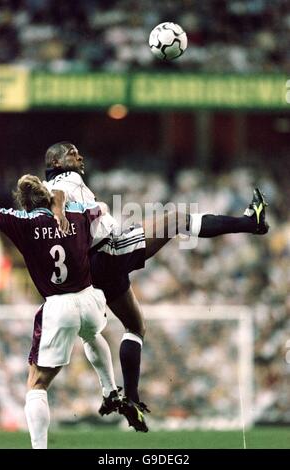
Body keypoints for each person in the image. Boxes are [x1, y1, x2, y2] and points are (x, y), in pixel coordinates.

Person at [43, 142, 269, 433]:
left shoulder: (50, 189)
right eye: (72, 153)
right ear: (57, 162)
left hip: (94, 268)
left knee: (135, 325)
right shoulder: (65, 180)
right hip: (108, 250)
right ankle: (250, 221)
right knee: (175, 220)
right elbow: (58, 196)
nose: (79, 156)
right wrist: (61, 212)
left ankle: (132, 399)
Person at [0, 174, 123, 448]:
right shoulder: (76, 214)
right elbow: (101, 207)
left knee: (36, 385)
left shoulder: (22, 222)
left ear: (24, 203)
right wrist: (60, 203)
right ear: (47, 195)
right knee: (92, 336)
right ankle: (110, 389)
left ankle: (39, 448)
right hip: (90, 299)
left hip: (59, 306)